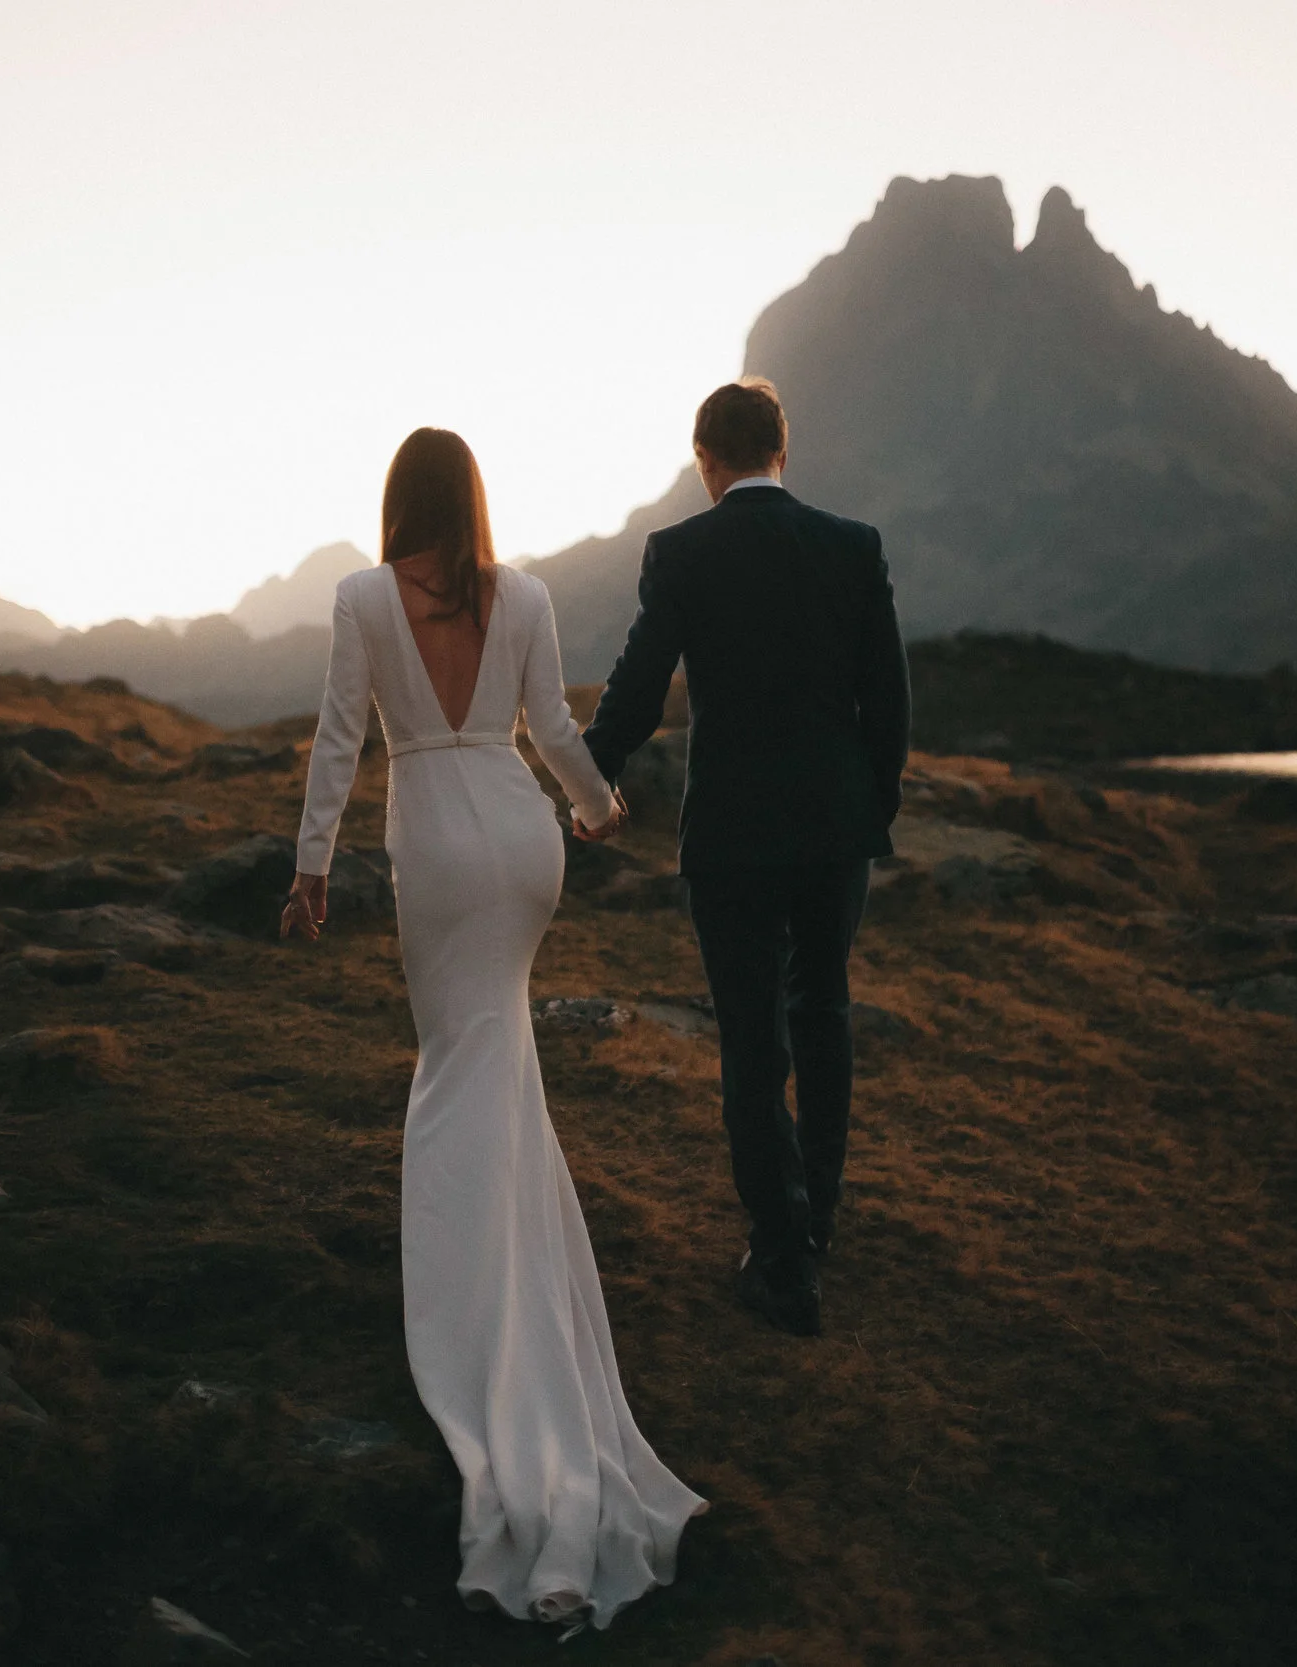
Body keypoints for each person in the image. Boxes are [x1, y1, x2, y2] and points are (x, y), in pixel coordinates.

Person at [283, 427, 705, 1631]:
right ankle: (520, 1276)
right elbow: (554, 732)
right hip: (521, 844)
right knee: (494, 1061)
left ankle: (480, 1322)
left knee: (454, 1070)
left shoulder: (364, 597)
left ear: (392, 500)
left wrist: (311, 868)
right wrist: (595, 806)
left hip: (437, 844)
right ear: (471, 496)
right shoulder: (518, 594)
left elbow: (337, 741)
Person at [581, 378, 910, 1338]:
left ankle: (782, 1258)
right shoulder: (854, 548)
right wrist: (871, 806)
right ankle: (822, 1219)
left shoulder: (683, 552)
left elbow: (640, 690)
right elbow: (886, 700)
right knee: (824, 1009)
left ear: (705, 462)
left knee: (751, 1039)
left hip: (730, 836)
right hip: (833, 832)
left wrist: (585, 780)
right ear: (782, 450)